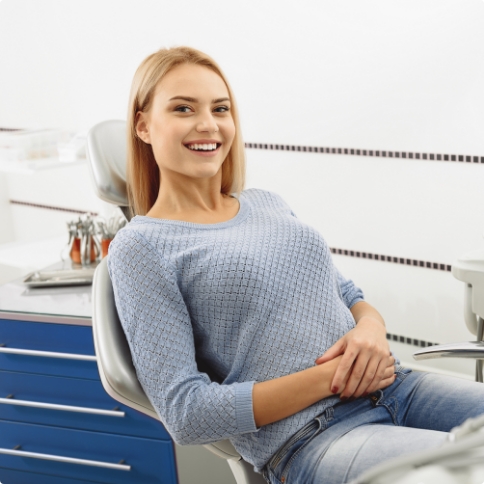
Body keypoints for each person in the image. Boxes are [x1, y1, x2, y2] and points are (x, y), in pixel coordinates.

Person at [107, 46, 484, 484]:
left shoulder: (266, 203)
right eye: (183, 108)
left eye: (220, 108)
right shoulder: (141, 247)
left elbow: (348, 296)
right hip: (312, 437)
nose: (208, 124)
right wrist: (332, 379)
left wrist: (371, 331)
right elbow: (186, 413)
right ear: (143, 126)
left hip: (397, 386)